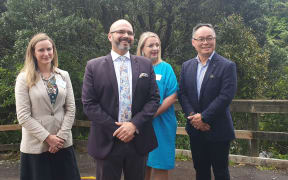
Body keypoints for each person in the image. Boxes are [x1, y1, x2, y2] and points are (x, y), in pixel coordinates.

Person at [82, 19, 160, 180]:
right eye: (121, 32)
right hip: (107, 140)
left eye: (130, 33)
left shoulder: (145, 65)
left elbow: (153, 99)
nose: (126, 36)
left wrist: (133, 125)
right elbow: (90, 104)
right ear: (110, 36)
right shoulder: (93, 66)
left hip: (137, 139)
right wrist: (118, 129)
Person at [15, 33, 81, 180]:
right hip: (36, 147)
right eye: (41, 50)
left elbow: (70, 109)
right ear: (33, 52)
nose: (46, 53)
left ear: (54, 50)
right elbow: (23, 116)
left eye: (49, 49)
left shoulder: (63, 76)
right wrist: (48, 138)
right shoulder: (24, 78)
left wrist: (60, 138)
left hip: (62, 144)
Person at [178, 23, 237, 180]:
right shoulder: (186, 66)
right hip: (195, 130)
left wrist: (203, 117)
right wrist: (194, 117)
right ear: (193, 42)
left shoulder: (227, 66)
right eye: (201, 39)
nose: (205, 42)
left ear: (215, 40)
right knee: (200, 170)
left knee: (221, 171)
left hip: (218, 129)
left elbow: (226, 96)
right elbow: (182, 94)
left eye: (209, 38)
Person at [136, 32, 178, 180]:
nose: (155, 48)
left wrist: (150, 115)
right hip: (140, 125)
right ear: (142, 48)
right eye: (151, 45)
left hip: (162, 124)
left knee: (160, 164)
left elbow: (172, 96)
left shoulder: (166, 68)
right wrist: (141, 118)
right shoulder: (135, 66)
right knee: (141, 164)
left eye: (157, 45)